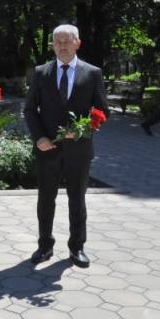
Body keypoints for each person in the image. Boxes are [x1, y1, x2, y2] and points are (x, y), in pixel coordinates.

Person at [24, 24, 109, 268]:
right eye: (57, 41)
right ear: (52, 45)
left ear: (77, 43)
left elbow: (103, 110)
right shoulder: (41, 72)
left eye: (67, 41)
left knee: (77, 200)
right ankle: (44, 245)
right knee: (45, 200)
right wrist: (38, 137)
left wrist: (83, 130)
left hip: (79, 150)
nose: (62, 45)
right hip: (47, 148)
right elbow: (30, 109)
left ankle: (77, 247)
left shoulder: (92, 73)